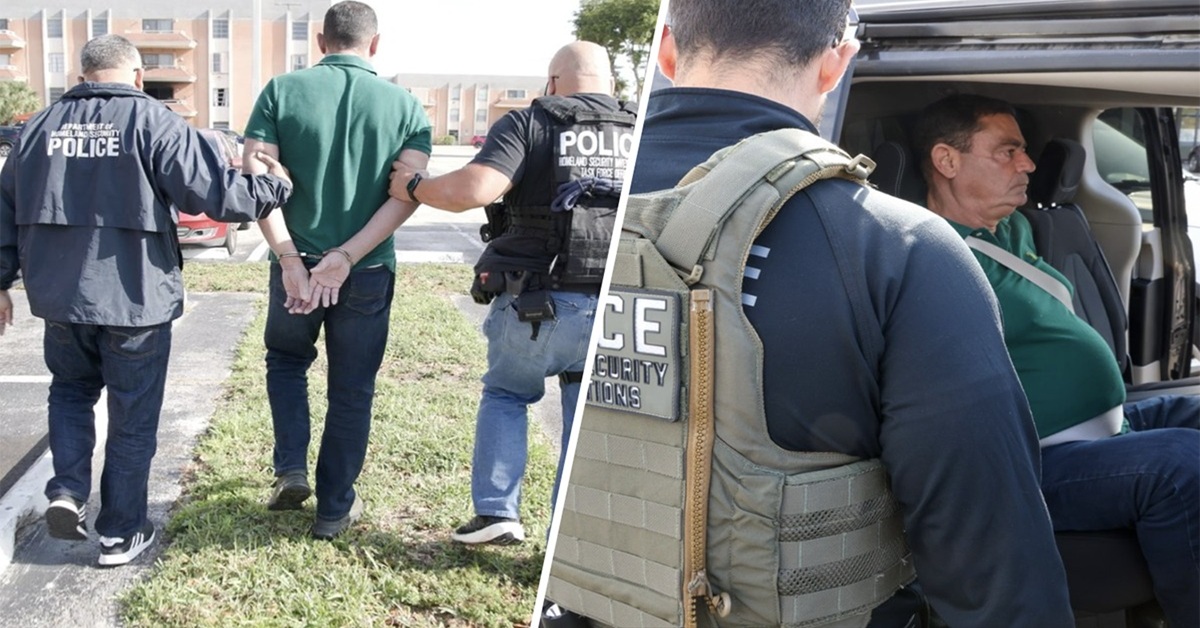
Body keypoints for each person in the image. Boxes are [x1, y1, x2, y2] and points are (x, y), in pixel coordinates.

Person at [617, 1, 1076, 625]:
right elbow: (990, 561)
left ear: (668, 52)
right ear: (837, 63)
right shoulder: (899, 247)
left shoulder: (599, 202)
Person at [0, 34, 292, 567]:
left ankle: (67, 490)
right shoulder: (156, 122)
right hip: (135, 299)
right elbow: (216, 196)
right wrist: (275, 187)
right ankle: (120, 533)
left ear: (81, 77)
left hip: (60, 299)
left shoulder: (36, 129)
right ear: (138, 77)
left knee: (70, 393)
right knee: (132, 415)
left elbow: (3, 210)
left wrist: (1, 281)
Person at [914, 93, 1200, 627]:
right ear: (947, 161)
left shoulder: (1013, 229)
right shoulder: (932, 261)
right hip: (1033, 462)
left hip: (1105, 426)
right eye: (1008, 151)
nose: (1028, 163)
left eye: (1024, 150)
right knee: (1183, 464)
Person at [389, 41, 635, 545]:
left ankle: (497, 514)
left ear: (553, 83)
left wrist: (414, 185)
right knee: (583, 417)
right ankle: (569, 538)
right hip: (617, 307)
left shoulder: (532, 122)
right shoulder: (639, 126)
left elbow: (472, 190)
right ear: (610, 84)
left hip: (536, 301)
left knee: (506, 394)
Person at [241, 0, 430, 541]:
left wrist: (290, 260)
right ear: (375, 44)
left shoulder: (281, 91)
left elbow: (256, 183)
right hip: (365, 271)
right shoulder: (406, 106)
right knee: (352, 389)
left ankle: (291, 468)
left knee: (286, 362)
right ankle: (332, 510)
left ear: (321, 42)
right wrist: (345, 257)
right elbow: (407, 195)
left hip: (295, 267)